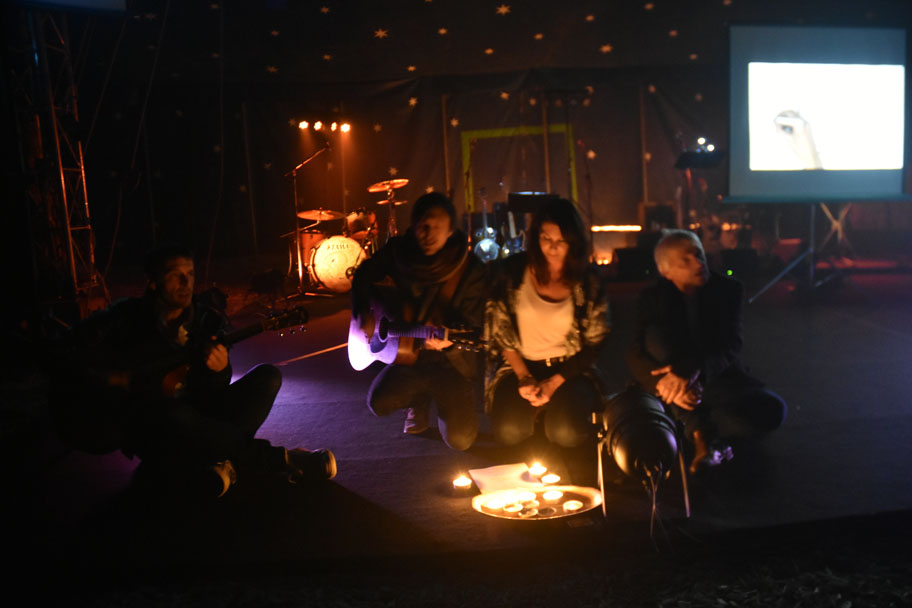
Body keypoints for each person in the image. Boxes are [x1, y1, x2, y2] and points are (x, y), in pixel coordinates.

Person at [53, 244, 336, 497]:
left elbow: (214, 391)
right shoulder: (126, 317)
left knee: (268, 376)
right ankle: (282, 460)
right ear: (153, 282)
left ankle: (221, 462)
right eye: (175, 275)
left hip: (199, 413)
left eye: (190, 273)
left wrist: (219, 370)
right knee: (175, 414)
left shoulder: (206, 320)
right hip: (153, 425)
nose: (186, 282)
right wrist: (107, 377)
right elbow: (67, 345)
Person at [627, 229, 787, 473]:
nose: (698, 263)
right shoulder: (653, 297)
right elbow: (636, 351)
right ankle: (701, 435)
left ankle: (688, 423)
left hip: (714, 381)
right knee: (655, 339)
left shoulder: (727, 289)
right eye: (686, 260)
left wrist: (690, 374)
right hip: (670, 385)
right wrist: (662, 383)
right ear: (666, 271)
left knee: (773, 410)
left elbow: (729, 345)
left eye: (699, 255)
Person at [350, 192, 485, 451]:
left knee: (460, 441)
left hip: (450, 364)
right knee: (378, 403)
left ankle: (451, 400)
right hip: (409, 357)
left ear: (450, 231)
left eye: (437, 227)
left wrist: (450, 344)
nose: (428, 234)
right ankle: (418, 400)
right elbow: (363, 275)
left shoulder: (471, 269)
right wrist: (362, 312)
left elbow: (474, 321)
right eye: (423, 226)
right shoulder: (399, 252)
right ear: (413, 226)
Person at [485, 198, 610, 448]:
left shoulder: (588, 281)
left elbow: (595, 344)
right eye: (546, 238)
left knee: (566, 432)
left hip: (571, 369)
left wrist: (554, 383)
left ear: (573, 241)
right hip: (520, 366)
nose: (552, 247)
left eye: (561, 240)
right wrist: (524, 378)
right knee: (508, 430)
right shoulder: (513, 273)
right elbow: (500, 331)